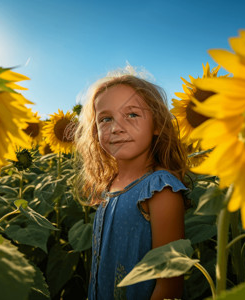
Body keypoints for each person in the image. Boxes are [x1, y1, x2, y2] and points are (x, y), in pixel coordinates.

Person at [74, 72, 189, 300]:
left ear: (157, 124)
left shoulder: (160, 189)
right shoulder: (109, 184)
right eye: (105, 119)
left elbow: (169, 285)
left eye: (132, 114)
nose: (116, 128)